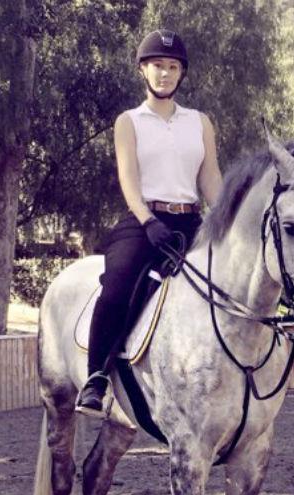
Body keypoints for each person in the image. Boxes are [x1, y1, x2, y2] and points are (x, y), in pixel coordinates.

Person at [76, 29, 223, 417]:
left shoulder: (200, 122)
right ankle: (96, 378)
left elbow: (210, 177)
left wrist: (227, 218)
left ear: (181, 73)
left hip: (192, 222)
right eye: (158, 65)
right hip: (145, 220)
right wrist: (147, 220)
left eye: (172, 67)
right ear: (143, 69)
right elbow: (128, 179)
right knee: (118, 284)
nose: (165, 73)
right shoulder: (129, 121)